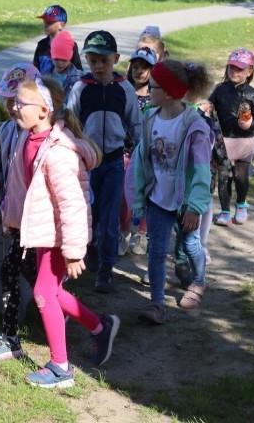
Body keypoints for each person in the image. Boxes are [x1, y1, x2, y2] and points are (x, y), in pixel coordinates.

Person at [3, 75, 119, 388]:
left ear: (44, 110)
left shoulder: (59, 152)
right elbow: (21, 189)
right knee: (51, 292)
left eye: (20, 103)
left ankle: (60, 367)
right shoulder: (28, 139)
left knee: (42, 292)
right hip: (43, 229)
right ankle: (100, 326)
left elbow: (73, 204)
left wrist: (73, 250)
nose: (14, 107)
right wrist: (10, 220)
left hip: (59, 235)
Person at [126, 60, 213, 322]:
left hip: (185, 202)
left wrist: (195, 207)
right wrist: (138, 198)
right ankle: (156, 303)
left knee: (190, 245)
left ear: (169, 92)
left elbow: (201, 170)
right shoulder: (150, 117)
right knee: (156, 249)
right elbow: (142, 161)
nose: (148, 91)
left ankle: (197, 282)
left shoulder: (193, 126)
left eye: (152, 87)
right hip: (157, 199)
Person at [67, 30, 142, 293]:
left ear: (116, 59)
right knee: (86, 214)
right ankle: (86, 255)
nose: (99, 66)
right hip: (85, 165)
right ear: (86, 59)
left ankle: (106, 268)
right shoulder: (80, 88)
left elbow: (135, 123)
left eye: (105, 61)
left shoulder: (124, 88)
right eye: (93, 60)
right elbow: (70, 122)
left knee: (110, 218)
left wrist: (140, 152)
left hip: (112, 163)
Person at [0, 63, 40, 361]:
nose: (9, 106)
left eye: (14, 100)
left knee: (11, 271)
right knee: (34, 277)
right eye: (5, 99)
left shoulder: (41, 136)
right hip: (14, 217)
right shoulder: (5, 131)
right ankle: (93, 322)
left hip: (35, 221)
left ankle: (10, 338)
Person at [207, 49, 254, 226]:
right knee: (224, 177)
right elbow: (210, 106)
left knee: (240, 176)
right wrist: (205, 110)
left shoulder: (252, 93)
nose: (234, 72)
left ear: (249, 72)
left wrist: (251, 124)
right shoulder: (220, 90)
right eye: (231, 67)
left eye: (239, 69)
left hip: (244, 141)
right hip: (223, 142)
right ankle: (224, 211)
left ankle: (241, 204)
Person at [118, 47, 158, 257]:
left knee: (146, 195)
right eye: (135, 66)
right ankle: (123, 231)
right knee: (125, 196)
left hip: (148, 155)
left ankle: (141, 234)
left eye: (144, 67)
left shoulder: (155, 98)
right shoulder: (124, 92)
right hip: (125, 152)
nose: (139, 71)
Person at [32, 5, 82, 74]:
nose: (45, 25)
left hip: (64, 84)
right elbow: (35, 69)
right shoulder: (41, 45)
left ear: (61, 25)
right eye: (44, 22)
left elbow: (78, 70)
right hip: (43, 83)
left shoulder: (71, 45)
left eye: (49, 22)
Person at [47, 30, 83, 96]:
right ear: (51, 57)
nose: (60, 63)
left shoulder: (79, 78)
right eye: (56, 59)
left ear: (70, 58)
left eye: (64, 60)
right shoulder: (46, 76)